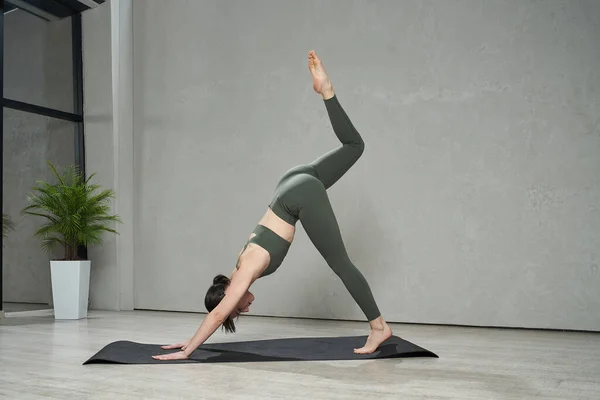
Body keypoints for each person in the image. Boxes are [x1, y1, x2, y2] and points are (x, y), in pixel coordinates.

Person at [153, 50, 392, 361]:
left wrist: (188, 352)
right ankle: (327, 91)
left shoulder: (244, 273)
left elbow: (216, 315)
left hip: (298, 196)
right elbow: (218, 309)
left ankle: (379, 326)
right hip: (291, 182)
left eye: (237, 308)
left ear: (229, 294)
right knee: (354, 146)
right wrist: (186, 341)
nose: (244, 308)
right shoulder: (238, 265)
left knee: (340, 263)